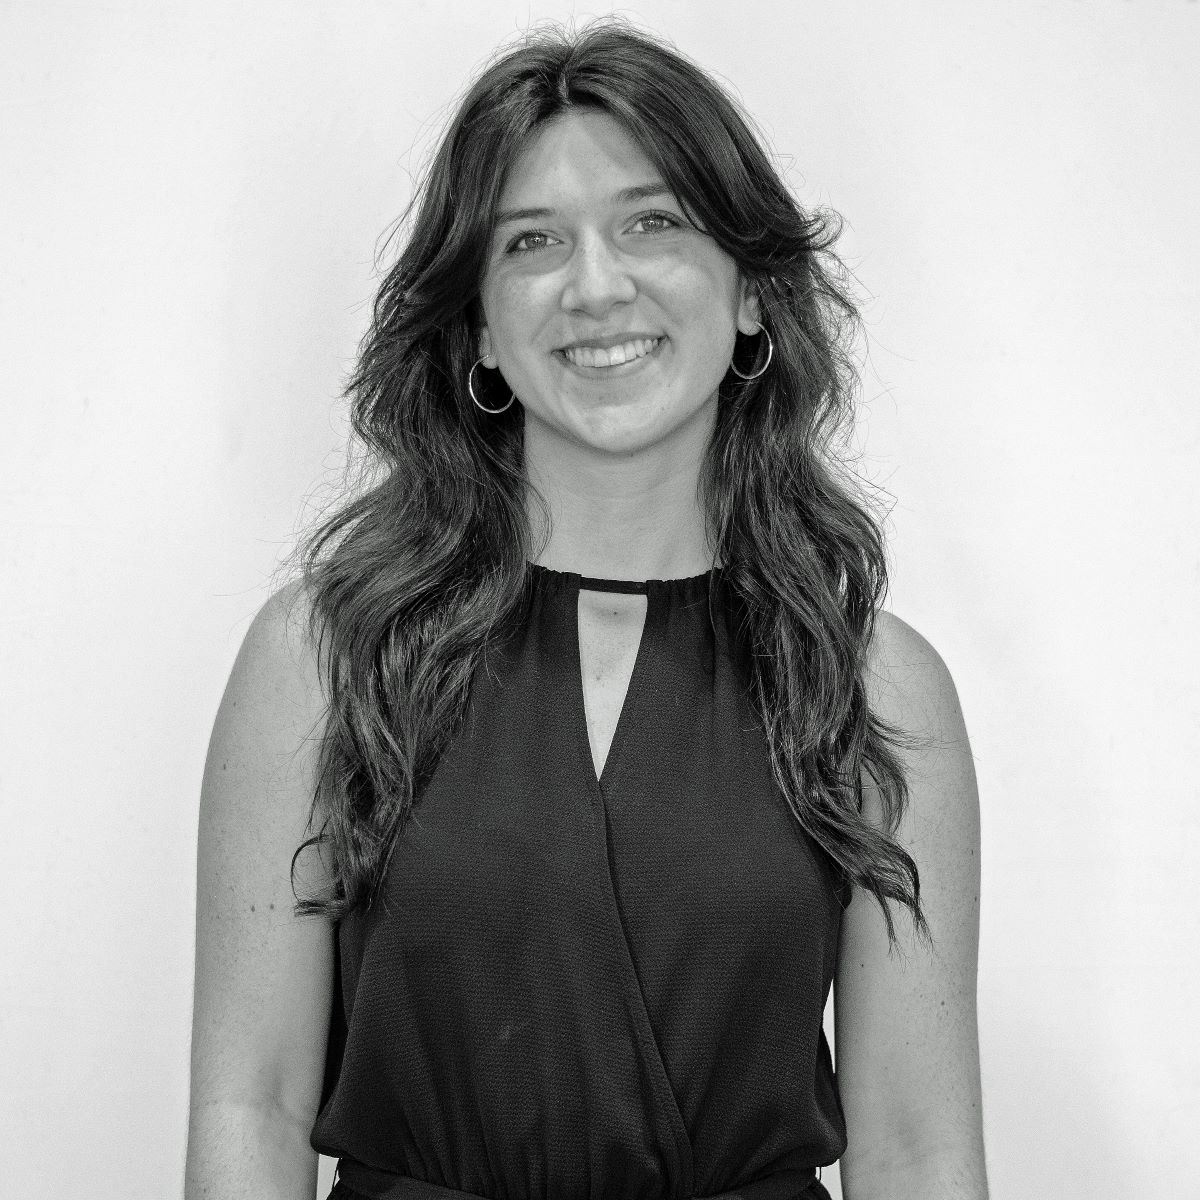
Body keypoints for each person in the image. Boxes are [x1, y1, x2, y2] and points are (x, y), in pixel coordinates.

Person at [185, 19, 987, 1200]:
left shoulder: (874, 686)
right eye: (533, 242)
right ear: (480, 335)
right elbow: (249, 1102)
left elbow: (918, 1146)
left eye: (652, 222)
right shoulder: (323, 659)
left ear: (755, 293)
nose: (596, 285)